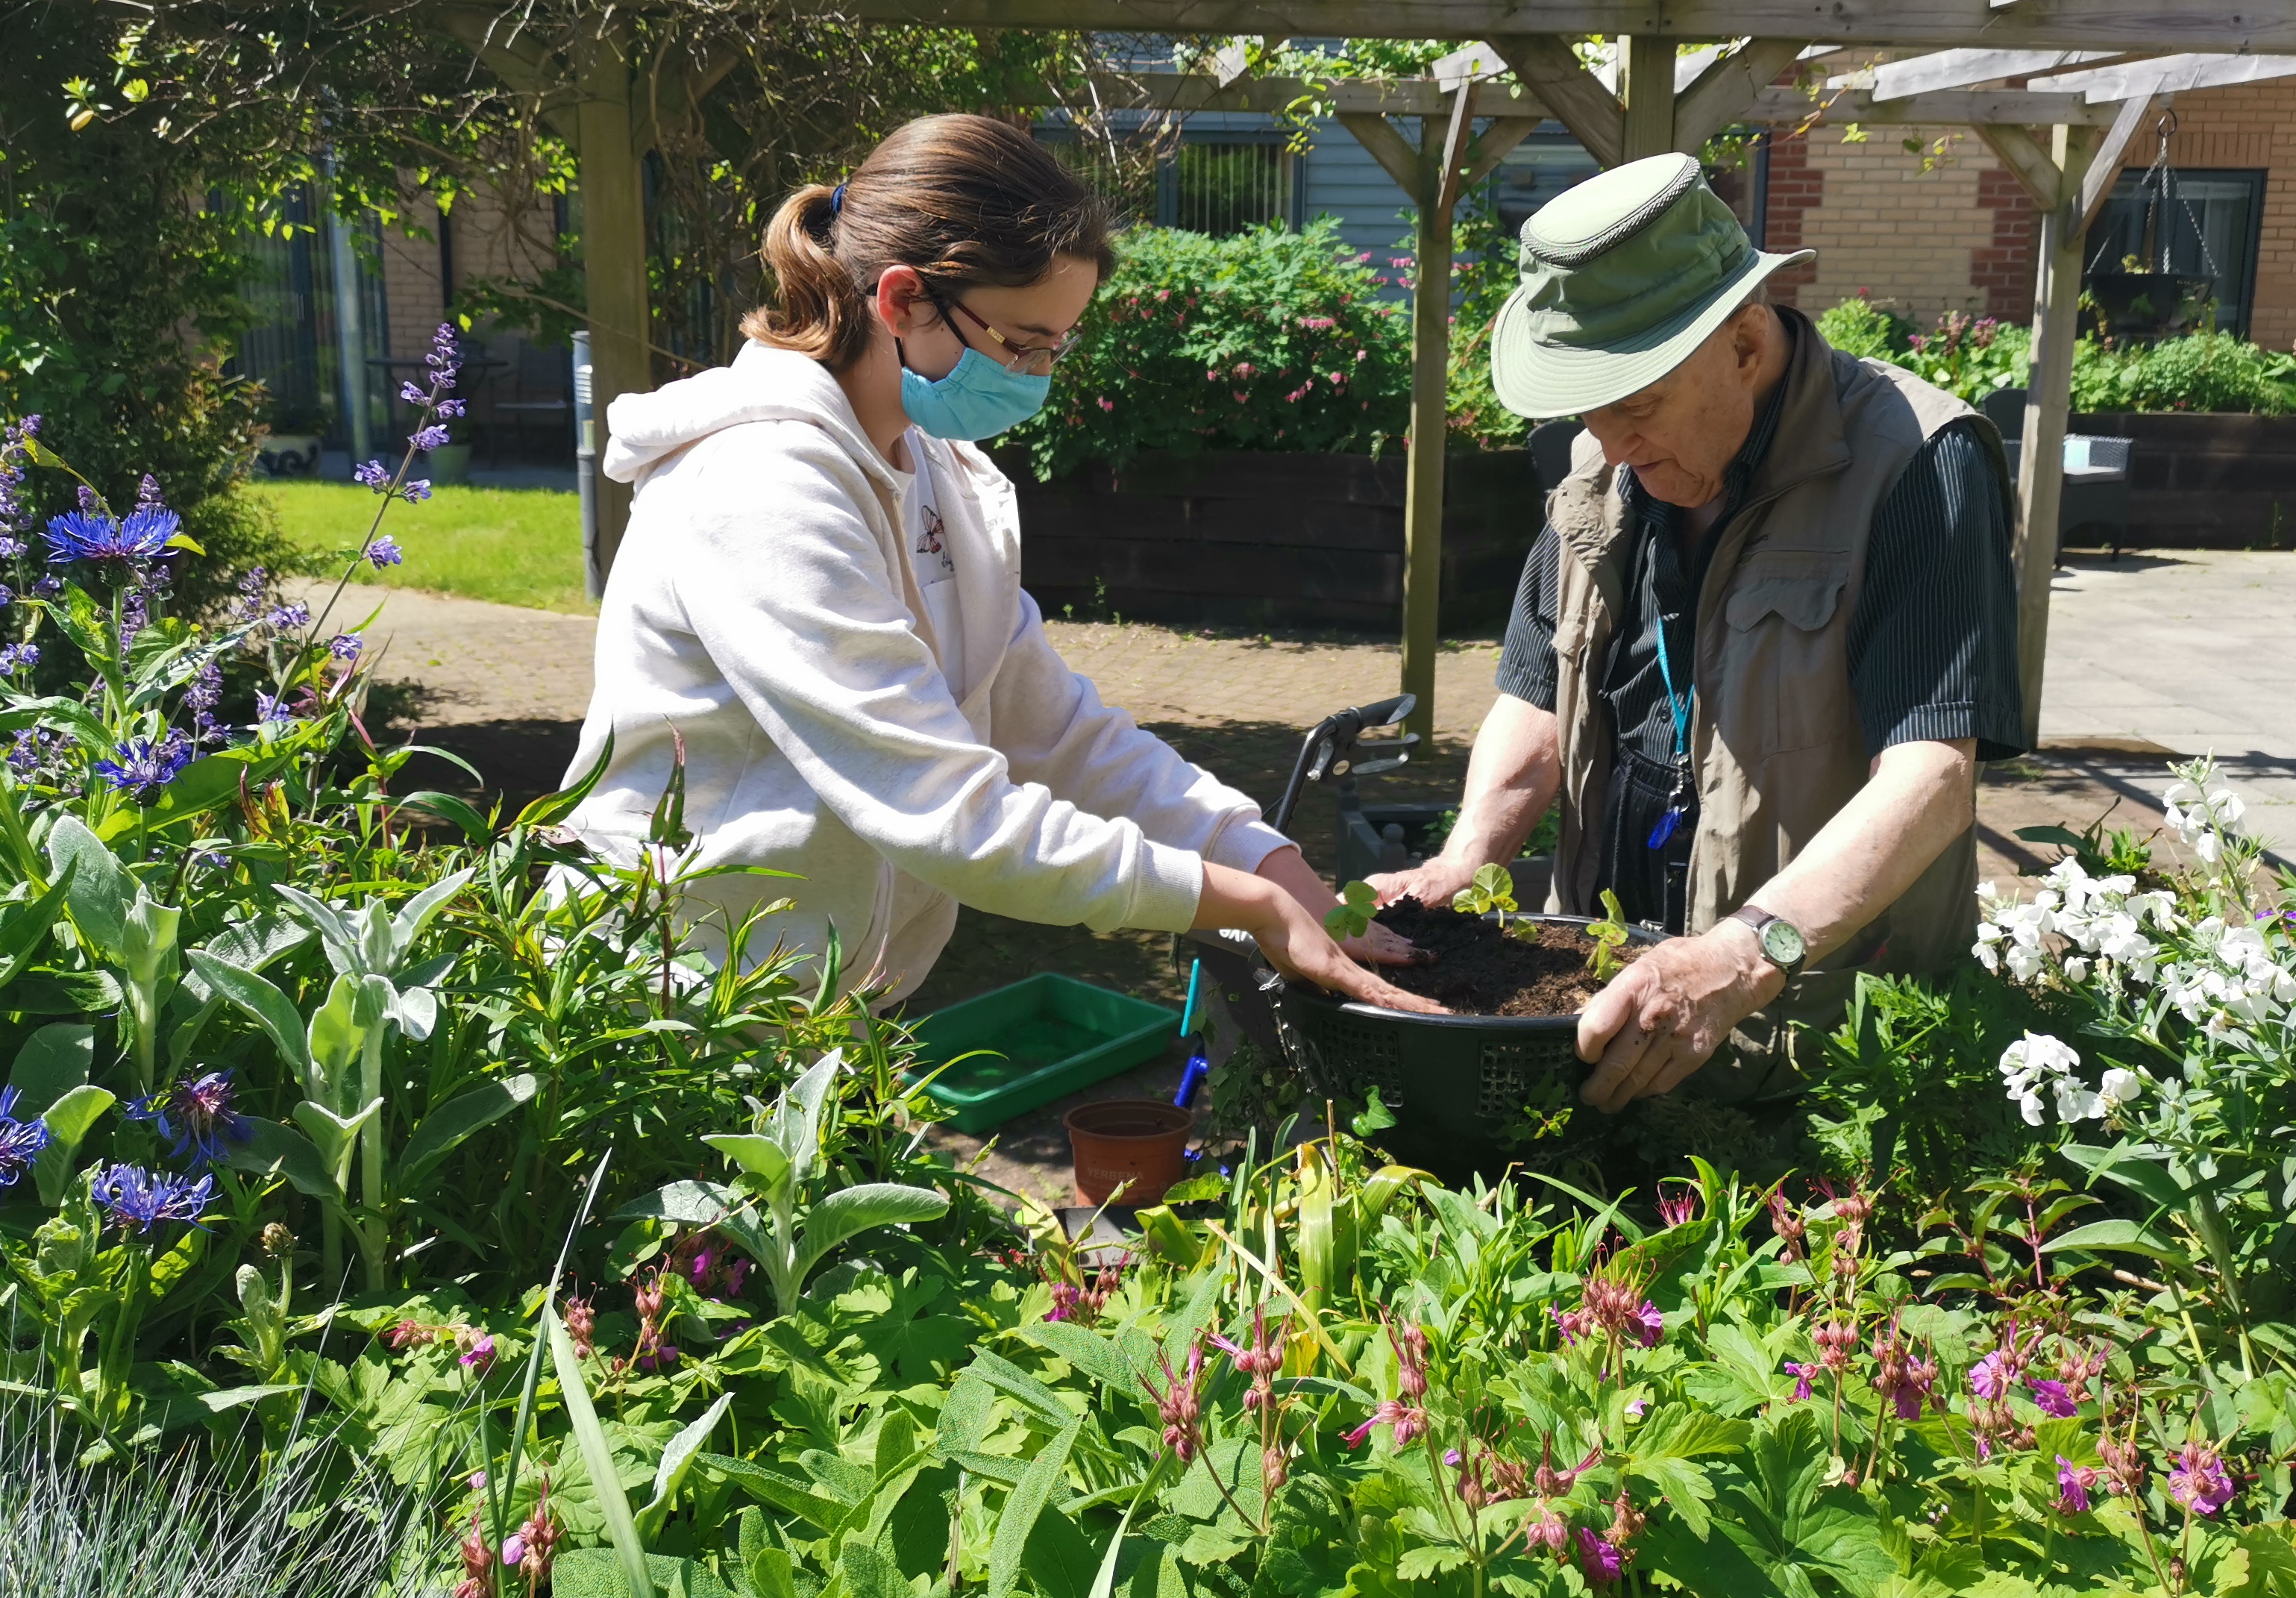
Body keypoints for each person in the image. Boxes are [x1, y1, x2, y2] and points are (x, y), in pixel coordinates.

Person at [562, 113, 1427, 1015]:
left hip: (831, 1010)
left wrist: (1270, 862)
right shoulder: (758, 488)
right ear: (901, 301)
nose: (1040, 376)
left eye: (1058, 344)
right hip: (668, 1010)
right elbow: (949, 813)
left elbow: (1053, 732)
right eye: (1021, 343)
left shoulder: (939, 475)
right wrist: (1241, 904)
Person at [1376, 150, 2021, 1111]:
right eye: (1591, 413)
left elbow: (1932, 778)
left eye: (1637, 406)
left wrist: (1748, 951)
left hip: (1822, 1044)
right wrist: (1464, 864)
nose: (1613, 446)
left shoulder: (1919, 466)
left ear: (1747, 346)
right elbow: (1533, 697)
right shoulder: (1604, 467)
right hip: (1617, 1011)